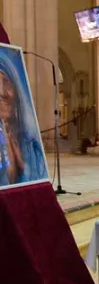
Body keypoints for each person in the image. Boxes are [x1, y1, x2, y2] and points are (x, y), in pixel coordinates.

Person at [0, 48, 48, 187]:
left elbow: (36, 178)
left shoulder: (31, 145)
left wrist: (22, 164)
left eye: (7, 82)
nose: (3, 93)